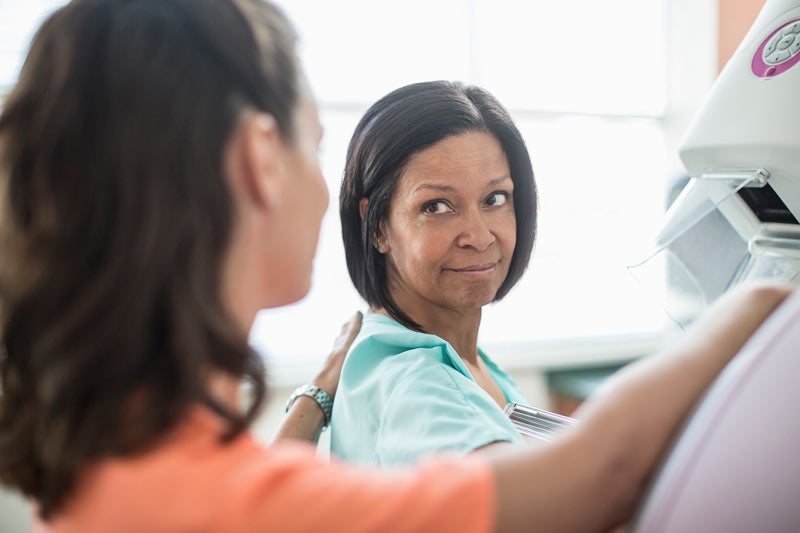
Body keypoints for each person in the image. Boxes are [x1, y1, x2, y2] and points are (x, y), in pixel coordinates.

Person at [0, 1, 791, 532]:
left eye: (497, 199)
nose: (325, 192)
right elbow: (593, 475)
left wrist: (317, 392)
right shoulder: (388, 388)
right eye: (314, 145)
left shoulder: (115, 451)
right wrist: (769, 292)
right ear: (257, 162)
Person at [333, 81, 535, 465]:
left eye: (495, 199)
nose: (478, 237)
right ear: (376, 226)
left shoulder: (460, 355)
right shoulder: (415, 380)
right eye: (437, 206)